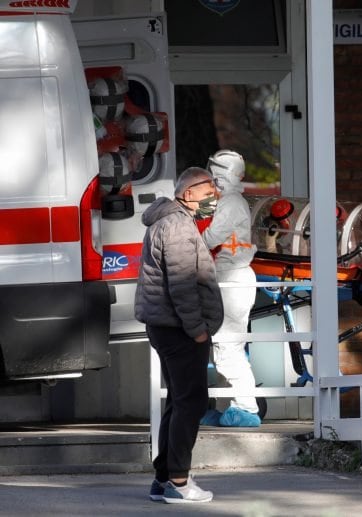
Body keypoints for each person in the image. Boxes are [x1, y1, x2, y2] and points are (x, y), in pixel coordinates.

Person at [135, 167, 223, 503]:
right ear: (187, 195)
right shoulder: (177, 226)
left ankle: (163, 478)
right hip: (180, 330)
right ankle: (178, 481)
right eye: (207, 192)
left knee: (178, 400)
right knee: (191, 402)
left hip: (169, 328)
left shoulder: (172, 222)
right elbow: (183, 285)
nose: (213, 197)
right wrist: (198, 331)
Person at [200, 149, 261, 427]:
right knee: (225, 347)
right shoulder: (233, 201)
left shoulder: (231, 203)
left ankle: (246, 408)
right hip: (230, 278)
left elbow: (212, 237)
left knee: (228, 348)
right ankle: (232, 407)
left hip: (232, 279)